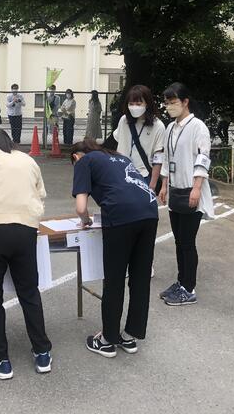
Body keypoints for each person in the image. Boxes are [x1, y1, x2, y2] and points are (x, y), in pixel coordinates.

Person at [0, 128, 52, 379]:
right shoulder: (28, 159)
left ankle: (1, 360)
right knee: (29, 292)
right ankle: (42, 352)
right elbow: (40, 195)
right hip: (26, 231)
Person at [71, 138, 158, 358]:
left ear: (75, 157)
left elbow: (81, 207)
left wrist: (85, 221)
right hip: (149, 212)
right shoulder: (119, 157)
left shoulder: (83, 161)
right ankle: (130, 336)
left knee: (114, 279)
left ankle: (107, 339)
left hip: (120, 216)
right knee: (140, 278)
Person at [157, 82, 214, 307]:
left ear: (185, 102)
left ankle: (189, 288)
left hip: (191, 191)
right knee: (179, 241)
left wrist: (197, 187)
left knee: (188, 242)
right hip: (176, 191)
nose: (169, 106)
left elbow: (203, 157)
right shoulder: (170, 128)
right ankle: (181, 283)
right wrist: (164, 185)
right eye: (167, 103)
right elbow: (166, 158)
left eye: (173, 102)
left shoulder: (198, 127)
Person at [112, 85, 165, 191]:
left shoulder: (158, 126)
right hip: (122, 173)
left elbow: (158, 157)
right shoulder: (124, 120)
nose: (134, 107)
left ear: (147, 104)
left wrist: (153, 184)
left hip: (144, 176)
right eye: (131, 104)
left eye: (138, 104)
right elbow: (119, 143)